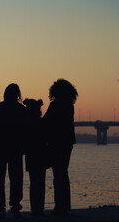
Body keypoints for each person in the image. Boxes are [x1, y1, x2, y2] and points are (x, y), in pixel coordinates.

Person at [0, 83, 27, 218]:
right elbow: (26, 131)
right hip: (16, 149)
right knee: (16, 178)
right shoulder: (21, 110)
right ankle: (15, 204)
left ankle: (0, 205)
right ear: (17, 94)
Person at [43, 79, 78, 215]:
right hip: (68, 142)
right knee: (63, 173)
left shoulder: (55, 104)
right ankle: (65, 206)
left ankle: (59, 207)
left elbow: (46, 121)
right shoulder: (69, 104)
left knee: (58, 174)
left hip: (56, 142)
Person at [23, 98, 47, 216]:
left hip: (31, 154)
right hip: (42, 154)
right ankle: (40, 207)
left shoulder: (26, 124)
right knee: (41, 181)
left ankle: (34, 208)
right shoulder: (43, 123)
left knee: (33, 182)